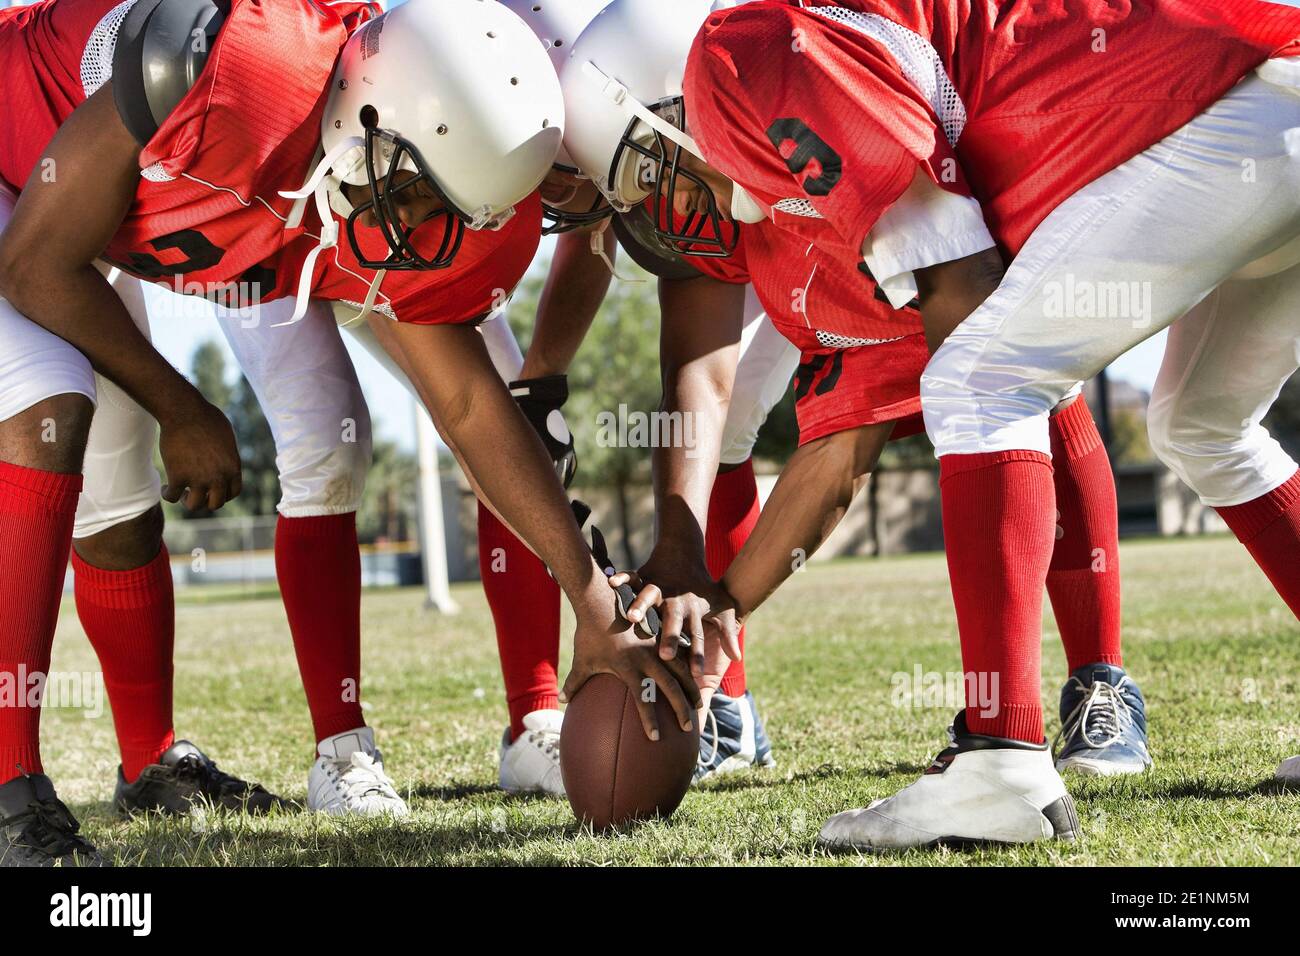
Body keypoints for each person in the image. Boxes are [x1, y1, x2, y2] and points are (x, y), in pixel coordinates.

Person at [0, 0, 695, 866]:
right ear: (367, 117)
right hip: (22, 177)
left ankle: (150, 766)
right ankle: (11, 795)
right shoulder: (231, 69)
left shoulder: (398, 160)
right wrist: (184, 407)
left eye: (446, 209)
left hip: (123, 227)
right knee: (52, 410)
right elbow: (33, 265)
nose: (420, 228)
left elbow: (474, 407)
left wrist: (592, 600)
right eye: (411, 193)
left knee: (118, 505)